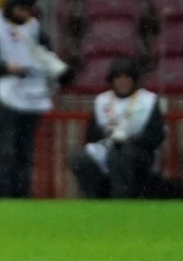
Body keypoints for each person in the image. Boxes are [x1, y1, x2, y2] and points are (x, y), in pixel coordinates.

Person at [0, 0, 72, 198]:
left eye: (28, 10)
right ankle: (3, 193)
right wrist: (4, 67)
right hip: (6, 95)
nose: (24, 15)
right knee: (5, 148)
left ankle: (22, 194)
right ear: (11, 6)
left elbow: (47, 55)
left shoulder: (33, 28)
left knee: (27, 150)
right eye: (21, 10)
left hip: (32, 95)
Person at [70, 57, 166, 199]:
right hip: (107, 146)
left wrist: (131, 141)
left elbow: (156, 134)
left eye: (127, 77)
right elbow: (92, 135)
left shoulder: (148, 100)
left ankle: (122, 200)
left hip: (139, 151)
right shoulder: (102, 101)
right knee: (79, 158)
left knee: (120, 154)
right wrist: (108, 133)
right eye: (118, 77)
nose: (123, 81)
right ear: (112, 80)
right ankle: (95, 198)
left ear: (134, 80)